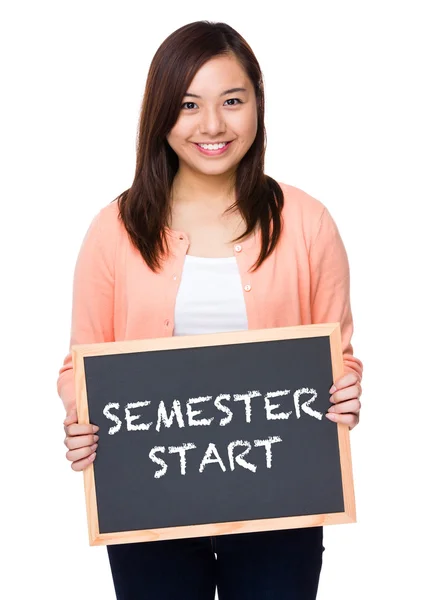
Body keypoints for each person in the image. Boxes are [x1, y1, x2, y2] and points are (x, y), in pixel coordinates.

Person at [57, 20, 363, 600]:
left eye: (232, 100)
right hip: (149, 504)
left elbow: (338, 359)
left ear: (257, 105)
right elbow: (78, 366)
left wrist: (345, 392)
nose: (213, 125)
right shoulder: (114, 230)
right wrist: (82, 420)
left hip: (281, 506)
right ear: (161, 114)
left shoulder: (307, 223)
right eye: (189, 105)